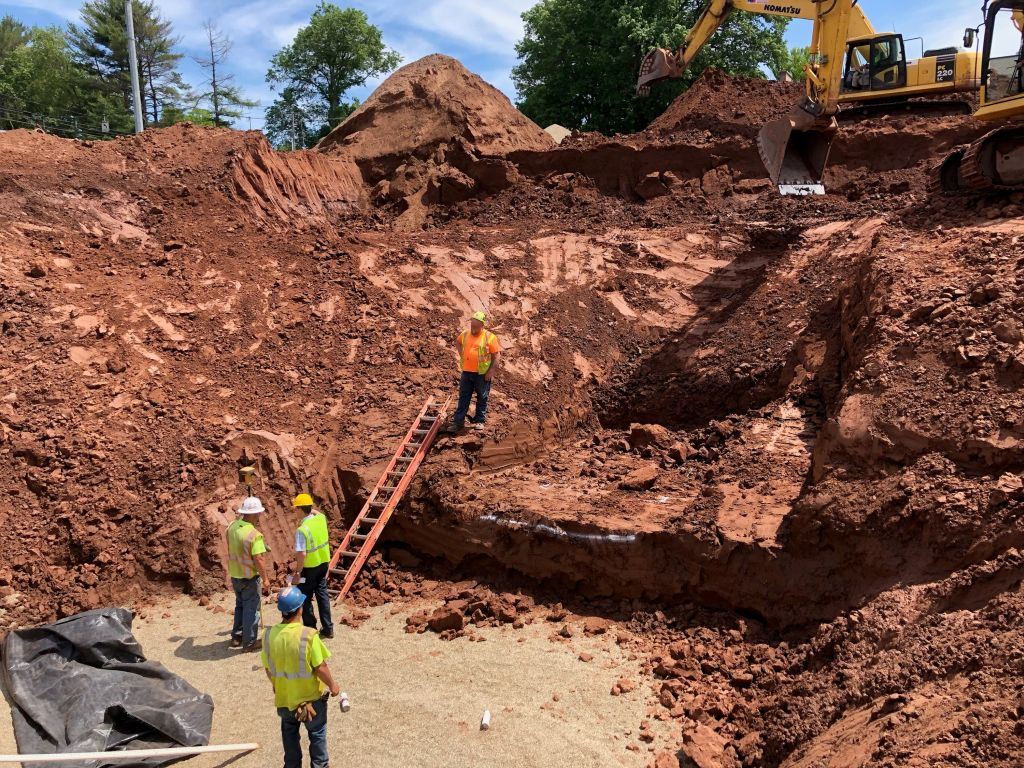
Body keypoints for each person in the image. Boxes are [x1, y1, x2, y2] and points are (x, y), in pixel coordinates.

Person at [262, 587, 340, 768]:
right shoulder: (308, 635)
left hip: (285, 699)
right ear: (300, 609)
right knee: (317, 734)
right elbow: (320, 667)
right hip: (311, 700)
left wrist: (275, 684)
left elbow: (268, 667)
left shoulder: (268, 635)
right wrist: (333, 686)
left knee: (289, 737)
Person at [226, 496, 270, 651]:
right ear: (252, 514)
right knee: (252, 609)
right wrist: (265, 579)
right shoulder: (254, 534)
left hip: (235, 575)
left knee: (240, 606)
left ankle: (236, 637)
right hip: (249, 577)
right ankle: (250, 642)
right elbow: (259, 558)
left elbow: (237, 544)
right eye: (257, 513)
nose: (259, 516)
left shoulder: (232, 526)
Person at [288, 493, 334, 639]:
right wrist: (311, 510)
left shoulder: (302, 530)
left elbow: (301, 554)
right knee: (322, 594)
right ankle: (328, 628)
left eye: (296, 508)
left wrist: (297, 573)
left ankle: (310, 630)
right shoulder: (320, 519)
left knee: (305, 597)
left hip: (309, 569)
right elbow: (317, 513)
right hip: (323, 563)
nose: (295, 511)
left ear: (301, 509)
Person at [446, 311, 500, 433]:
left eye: (476, 326)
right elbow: (458, 342)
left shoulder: (489, 337)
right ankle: (458, 422)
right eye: (472, 325)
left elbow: (496, 356)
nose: (473, 329)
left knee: (482, 396)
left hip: (481, 374)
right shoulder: (465, 334)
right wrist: (462, 355)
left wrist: (490, 372)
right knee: (464, 397)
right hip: (467, 372)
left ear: (482, 325)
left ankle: (480, 421)